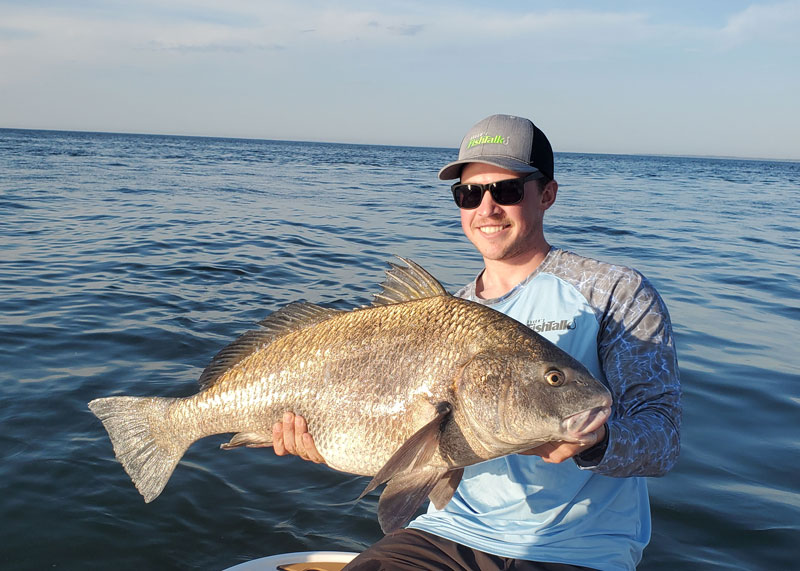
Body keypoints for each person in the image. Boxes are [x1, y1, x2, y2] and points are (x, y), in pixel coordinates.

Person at [272, 114, 681, 570]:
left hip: (579, 548)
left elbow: (663, 436)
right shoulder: (444, 316)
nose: (486, 209)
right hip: (447, 532)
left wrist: (598, 442)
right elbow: (400, 441)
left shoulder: (612, 291)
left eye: (505, 191)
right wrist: (328, 441)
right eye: (469, 194)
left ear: (547, 194)